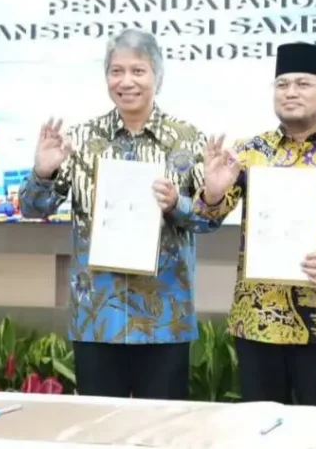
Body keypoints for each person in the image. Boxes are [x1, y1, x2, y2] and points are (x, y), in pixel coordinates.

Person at [18, 29, 218, 399]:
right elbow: (32, 208)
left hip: (164, 319)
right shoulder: (80, 139)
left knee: (161, 427)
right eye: (116, 71)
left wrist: (177, 204)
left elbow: (209, 220)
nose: (126, 81)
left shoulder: (188, 139)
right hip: (97, 318)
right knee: (100, 425)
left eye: (138, 71)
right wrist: (43, 172)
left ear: (158, 76)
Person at [192, 41, 316, 407]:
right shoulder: (248, 153)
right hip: (256, 324)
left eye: (303, 84)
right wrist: (214, 193)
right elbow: (206, 221)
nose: (291, 92)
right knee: (260, 429)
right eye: (282, 84)